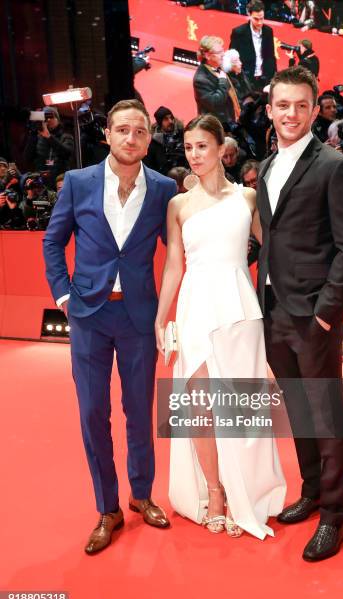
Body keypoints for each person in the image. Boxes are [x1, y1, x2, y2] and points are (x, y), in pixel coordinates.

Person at [43, 99, 177, 555]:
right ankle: (108, 508)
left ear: (148, 137)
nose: (131, 138)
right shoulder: (79, 183)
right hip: (89, 317)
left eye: (140, 131)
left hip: (139, 317)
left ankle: (141, 496)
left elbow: (179, 249)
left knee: (140, 413)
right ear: (108, 135)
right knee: (91, 414)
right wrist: (63, 295)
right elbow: (53, 240)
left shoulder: (162, 189)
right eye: (122, 130)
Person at [155, 114, 286, 540]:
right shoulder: (178, 204)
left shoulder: (247, 198)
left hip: (238, 308)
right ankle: (214, 490)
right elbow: (175, 265)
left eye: (202, 147)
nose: (194, 155)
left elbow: (274, 251)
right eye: (188, 147)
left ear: (220, 149)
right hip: (195, 307)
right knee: (199, 406)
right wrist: (163, 314)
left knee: (240, 406)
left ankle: (242, 488)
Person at [257, 66, 343, 561]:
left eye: (302, 105)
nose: (292, 114)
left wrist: (327, 313)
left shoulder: (335, 165)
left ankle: (335, 516)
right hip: (274, 309)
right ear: (270, 109)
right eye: (283, 105)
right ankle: (311, 491)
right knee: (299, 410)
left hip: (314, 316)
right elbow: (272, 238)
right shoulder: (263, 167)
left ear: (315, 107)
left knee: (326, 414)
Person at [229, 0, 276, 91]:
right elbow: (232, 57)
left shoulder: (268, 31)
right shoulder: (239, 33)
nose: (259, 22)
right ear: (249, 15)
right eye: (256, 19)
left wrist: (272, 79)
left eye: (262, 18)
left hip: (264, 79)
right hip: (245, 80)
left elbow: (271, 56)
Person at [24, 106, 74, 187]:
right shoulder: (37, 137)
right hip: (41, 182)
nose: (48, 120)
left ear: (58, 119)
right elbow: (27, 158)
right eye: (45, 117)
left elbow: (67, 154)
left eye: (51, 116)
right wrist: (33, 133)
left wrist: (49, 137)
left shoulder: (66, 136)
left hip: (60, 181)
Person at [193, 36, 239, 124]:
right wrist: (222, 81)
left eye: (222, 50)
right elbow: (215, 103)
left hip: (228, 120)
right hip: (215, 125)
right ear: (207, 55)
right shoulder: (200, 79)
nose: (223, 54)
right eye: (219, 52)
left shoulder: (219, 67)